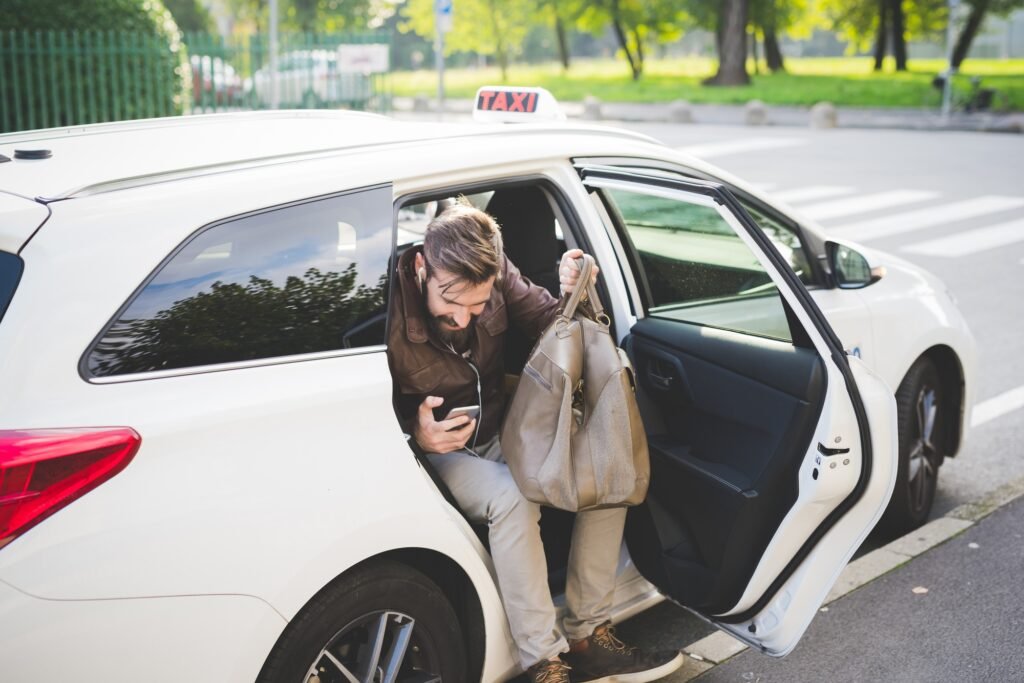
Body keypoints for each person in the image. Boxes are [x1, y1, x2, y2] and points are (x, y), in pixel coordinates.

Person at [387, 201, 683, 683]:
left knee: (604, 469)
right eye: (450, 302)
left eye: (477, 305)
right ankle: (545, 663)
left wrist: (573, 291)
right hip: (436, 454)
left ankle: (588, 637)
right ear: (422, 266)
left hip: (504, 431)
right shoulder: (386, 305)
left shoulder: (496, 270)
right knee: (511, 499)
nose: (463, 318)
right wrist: (413, 430)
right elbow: (356, 404)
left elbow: (553, 324)